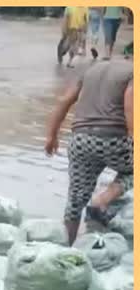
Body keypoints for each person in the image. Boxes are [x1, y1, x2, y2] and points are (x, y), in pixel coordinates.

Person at [44, 59, 133, 244]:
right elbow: (130, 107)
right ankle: (101, 201)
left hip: (80, 140)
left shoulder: (91, 69)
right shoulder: (133, 73)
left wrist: (51, 135)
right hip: (113, 139)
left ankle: (65, 247)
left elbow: (64, 101)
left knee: (75, 199)